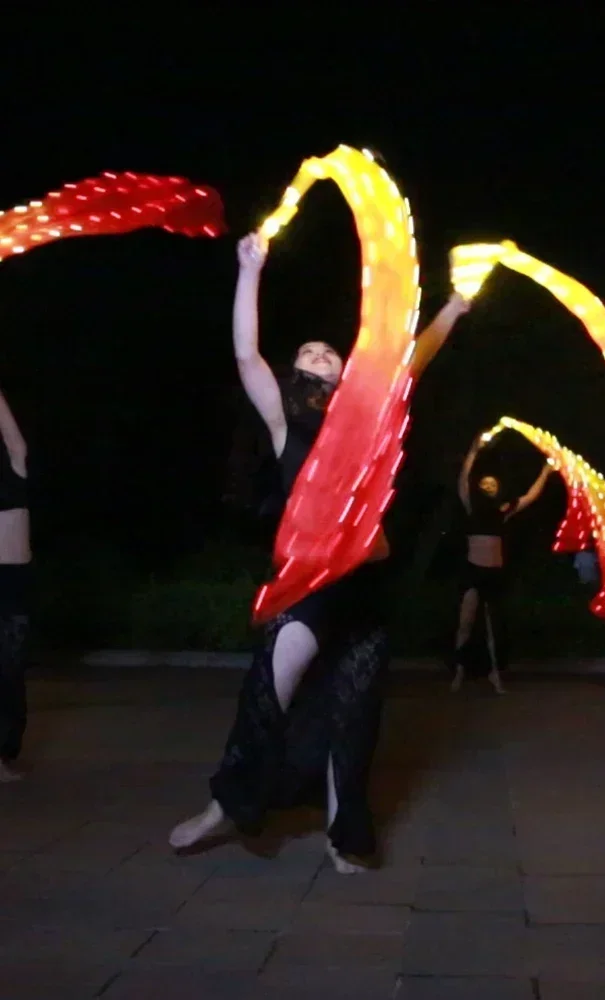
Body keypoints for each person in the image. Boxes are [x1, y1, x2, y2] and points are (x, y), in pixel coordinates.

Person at [169, 233, 470, 867]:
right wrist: (250, 270)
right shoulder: (285, 416)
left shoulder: (369, 410)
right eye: (309, 351)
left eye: (329, 350)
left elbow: (413, 359)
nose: (320, 351)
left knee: (354, 715)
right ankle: (226, 804)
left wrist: (451, 308)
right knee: (267, 691)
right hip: (309, 581)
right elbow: (246, 352)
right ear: (299, 373)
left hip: (369, 582)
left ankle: (345, 835)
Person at [451, 433, 555, 693]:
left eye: (493, 484)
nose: (489, 485)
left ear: (497, 489)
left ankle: (495, 677)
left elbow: (531, 496)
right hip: (473, 572)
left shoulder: (503, 511)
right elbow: (463, 479)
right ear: (479, 487)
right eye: (485, 483)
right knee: (465, 623)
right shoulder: (471, 508)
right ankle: (459, 672)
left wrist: (546, 470)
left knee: (490, 629)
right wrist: (473, 451)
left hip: (494, 574)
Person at [0, 384, 30, 783]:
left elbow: (16, 441)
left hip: (14, 582)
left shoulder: (14, 468)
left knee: (11, 670)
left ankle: (3, 754)